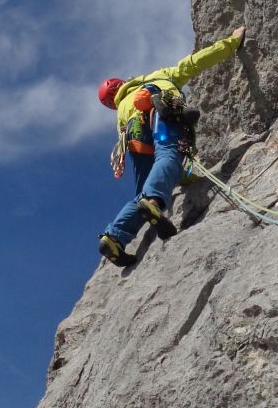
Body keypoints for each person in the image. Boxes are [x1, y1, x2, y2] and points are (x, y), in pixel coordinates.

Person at [97, 27, 245, 266]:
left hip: (133, 137)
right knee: (169, 154)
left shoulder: (121, 111)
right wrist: (231, 43)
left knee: (143, 190)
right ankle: (154, 203)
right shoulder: (157, 77)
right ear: (124, 82)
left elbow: (159, 166)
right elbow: (193, 63)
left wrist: (185, 179)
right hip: (160, 114)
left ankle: (114, 237)